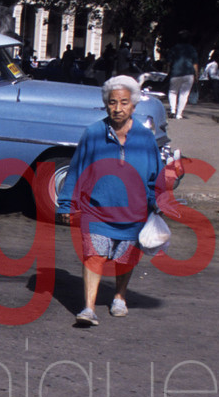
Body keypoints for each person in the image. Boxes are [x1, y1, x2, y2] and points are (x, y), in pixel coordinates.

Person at [56, 74, 162, 328]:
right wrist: (67, 203)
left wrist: (157, 202)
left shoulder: (145, 138)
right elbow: (76, 170)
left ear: (133, 105)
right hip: (96, 210)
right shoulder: (93, 133)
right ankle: (88, 308)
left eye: (124, 102)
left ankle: (119, 297)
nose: (118, 108)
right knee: (94, 256)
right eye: (112, 102)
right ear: (106, 105)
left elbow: (155, 175)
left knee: (126, 259)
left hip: (134, 212)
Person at [167, 32, 199, 120]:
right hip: (189, 73)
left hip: (175, 72)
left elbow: (169, 62)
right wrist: (196, 75)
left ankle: (172, 110)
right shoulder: (192, 49)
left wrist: (168, 72)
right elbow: (195, 63)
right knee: (184, 94)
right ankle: (179, 114)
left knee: (172, 91)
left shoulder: (174, 48)